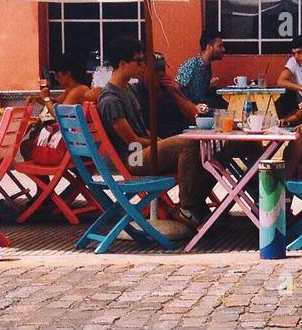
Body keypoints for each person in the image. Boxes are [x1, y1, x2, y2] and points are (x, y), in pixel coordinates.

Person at [96, 37, 211, 226]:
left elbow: (143, 131)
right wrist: (159, 143)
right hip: (134, 158)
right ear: (123, 64)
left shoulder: (127, 90)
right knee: (189, 143)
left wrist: (157, 140)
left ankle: (195, 205)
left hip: (142, 151)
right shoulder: (111, 99)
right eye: (139, 61)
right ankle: (188, 207)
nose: (143, 65)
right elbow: (131, 140)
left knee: (207, 149)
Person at [150, 52, 210, 139]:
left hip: (181, 137)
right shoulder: (139, 93)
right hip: (160, 140)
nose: (161, 73)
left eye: (162, 69)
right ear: (143, 70)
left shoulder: (171, 90)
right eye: (156, 70)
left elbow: (194, 116)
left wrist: (174, 92)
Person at [175, 30, 225, 105]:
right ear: (209, 47)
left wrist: (210, 86)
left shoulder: (207, 66)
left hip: (202, 107)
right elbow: (177, 89)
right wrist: (191, 107)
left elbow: (198, 93)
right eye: (219, 46)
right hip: (189, 111)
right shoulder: (192, 64)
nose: (223, 49)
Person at [275, 35, 302, 120]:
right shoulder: (294, 61)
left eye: (299, 52)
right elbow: (280, 81)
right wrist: (301, 88)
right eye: (294, 53)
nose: (296, 56)